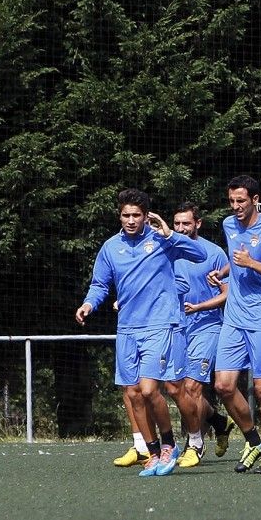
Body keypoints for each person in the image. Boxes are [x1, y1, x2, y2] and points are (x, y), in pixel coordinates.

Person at [76, 188, 207, 477]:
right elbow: (100, 284)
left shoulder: (162, 240)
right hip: (127, 327)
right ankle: (152, 450)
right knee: (133, 393)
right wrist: (88, 304)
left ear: (147, 216)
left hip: (160, 325)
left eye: (137, 215)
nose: (131, 220)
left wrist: (170, 234)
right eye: (126, 215)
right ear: (119, 215)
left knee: (152, 389)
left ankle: (171, 445)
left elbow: (200, 254)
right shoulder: (111, 247)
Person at [210, 175, 261, 474]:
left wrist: (252, 264)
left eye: (241, 201)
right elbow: (237, 258)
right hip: (234, 316)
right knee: (223, 385)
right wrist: (223, 271)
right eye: (232, 201)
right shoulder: (228, 225)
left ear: (255, 200)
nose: (236, 207)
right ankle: (253, 440)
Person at [170, 202, 236, 467]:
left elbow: (227, 294)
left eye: (186, 223)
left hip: (207, 326)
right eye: (177, 224)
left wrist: (198, 307)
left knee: (192, 387)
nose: (181, 229)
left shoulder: (215, 253)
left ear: (198, 223)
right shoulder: (167, 251)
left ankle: (194, 444)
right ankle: (220, 422)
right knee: (175, 389)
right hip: (175, 328)